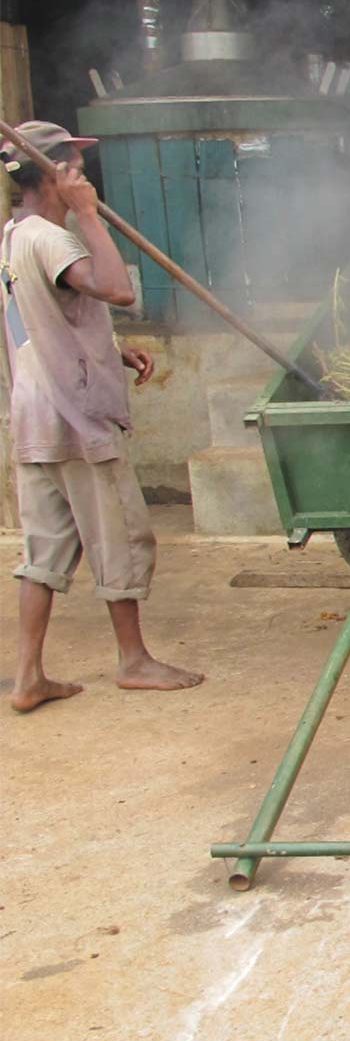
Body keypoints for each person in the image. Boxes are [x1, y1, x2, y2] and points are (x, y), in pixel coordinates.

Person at [2, 120, 202, 712]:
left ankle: (28, 677)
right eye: (73, 167)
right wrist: (87, 215)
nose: (81, 175)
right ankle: (134, 660)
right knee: (119, 535)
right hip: (77, 419)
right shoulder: (54, 238)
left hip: (34, 414)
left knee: (43, 553)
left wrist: (110, 348)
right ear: (48, 172)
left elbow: (36, 326)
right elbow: (118, 290)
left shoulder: (11, 237)